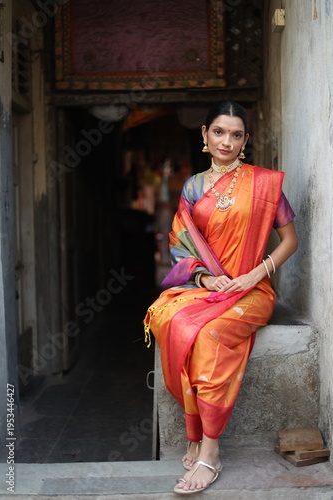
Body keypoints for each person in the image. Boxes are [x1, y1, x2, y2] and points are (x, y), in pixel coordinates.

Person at [144, 101, 298, 495]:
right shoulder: (193, 187)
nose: (226, 141)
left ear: (246, 139)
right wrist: (205, 279)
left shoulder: (264, 184)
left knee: (210, 336)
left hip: (253, 290)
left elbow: (290, 241)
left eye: (235, 134)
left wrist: (253, 274)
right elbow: (181, 243)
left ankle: (209, 450)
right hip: (208, 287)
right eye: (218, 132)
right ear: (204, 135)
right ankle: (193, 433)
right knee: (169, 319)